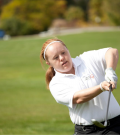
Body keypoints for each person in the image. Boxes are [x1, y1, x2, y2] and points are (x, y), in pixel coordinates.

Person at [40, 38, 120, 135]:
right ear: (49, 63)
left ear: (68, 50)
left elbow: (112, 52)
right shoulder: (56, 84)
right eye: (56, 57)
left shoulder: (86, 59)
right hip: (87, 132)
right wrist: (101, 87)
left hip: (116, 125)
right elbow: (78, 98)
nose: (62, 58)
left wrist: (110, 70)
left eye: (63, 53)